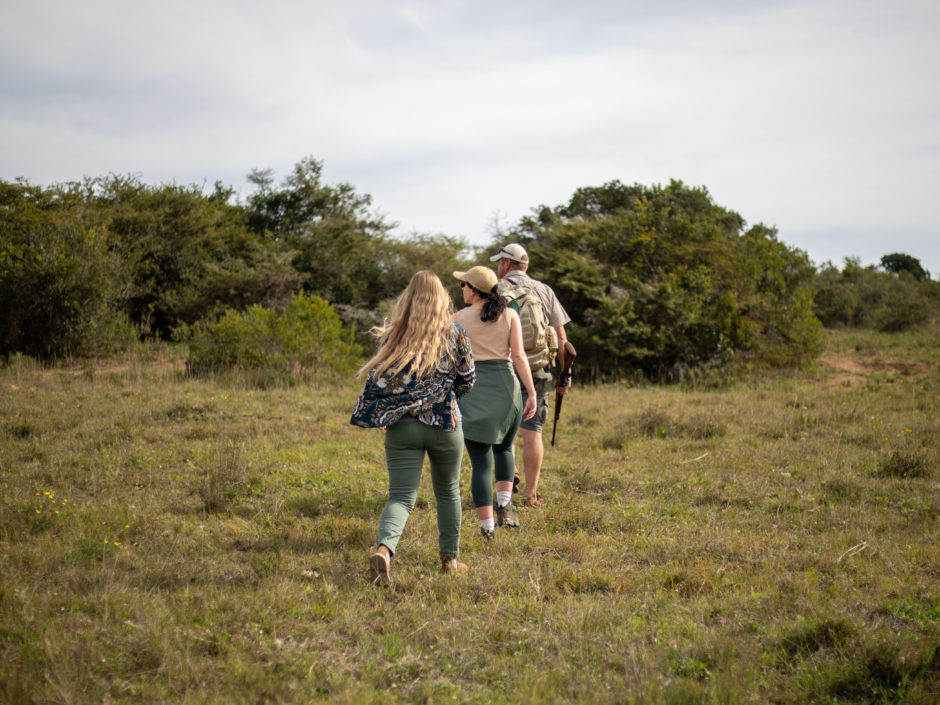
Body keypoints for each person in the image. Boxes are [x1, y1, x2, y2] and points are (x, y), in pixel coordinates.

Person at [350, 271, 476, 586]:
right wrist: (446, 397)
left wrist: (387, 412)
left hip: (401, 427)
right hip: (445, 424)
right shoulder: (456, 333)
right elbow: (468, 379)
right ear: (441, 299)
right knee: (448, 492)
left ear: (408, 298)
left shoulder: (392, 334)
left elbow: (384, 381)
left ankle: (384, 550)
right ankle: (450, 560)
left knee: (401, 497)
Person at [452, 266, 537, 538]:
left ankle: (487, 528)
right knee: (504, 449)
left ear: (474, 289)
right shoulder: (510, 314)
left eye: (464, 284)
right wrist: (531, 392)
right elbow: (519, 356)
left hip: (471, 389)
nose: (461, 288)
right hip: (506, 387)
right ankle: (505, 506)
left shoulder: (457, 319)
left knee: (480, 463)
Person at [490, 243, 572, 508]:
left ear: (506, 264)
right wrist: (564, 373)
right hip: (538, 369)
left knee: (504, 430)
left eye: (499, 263)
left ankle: (508, 476)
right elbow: (560, 337)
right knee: (532, 431)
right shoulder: (544, 290)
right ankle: (531, 495)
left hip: (502, 367)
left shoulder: (495, 289)